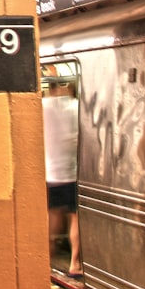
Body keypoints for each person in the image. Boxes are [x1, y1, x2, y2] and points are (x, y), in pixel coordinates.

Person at [43, 78, 81, 278]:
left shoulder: (42, 106)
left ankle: (45, 261)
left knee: (53, 216)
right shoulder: (76, 106)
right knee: (74, 217)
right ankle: (74, 264)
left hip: (51, 173)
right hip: (73, 173)